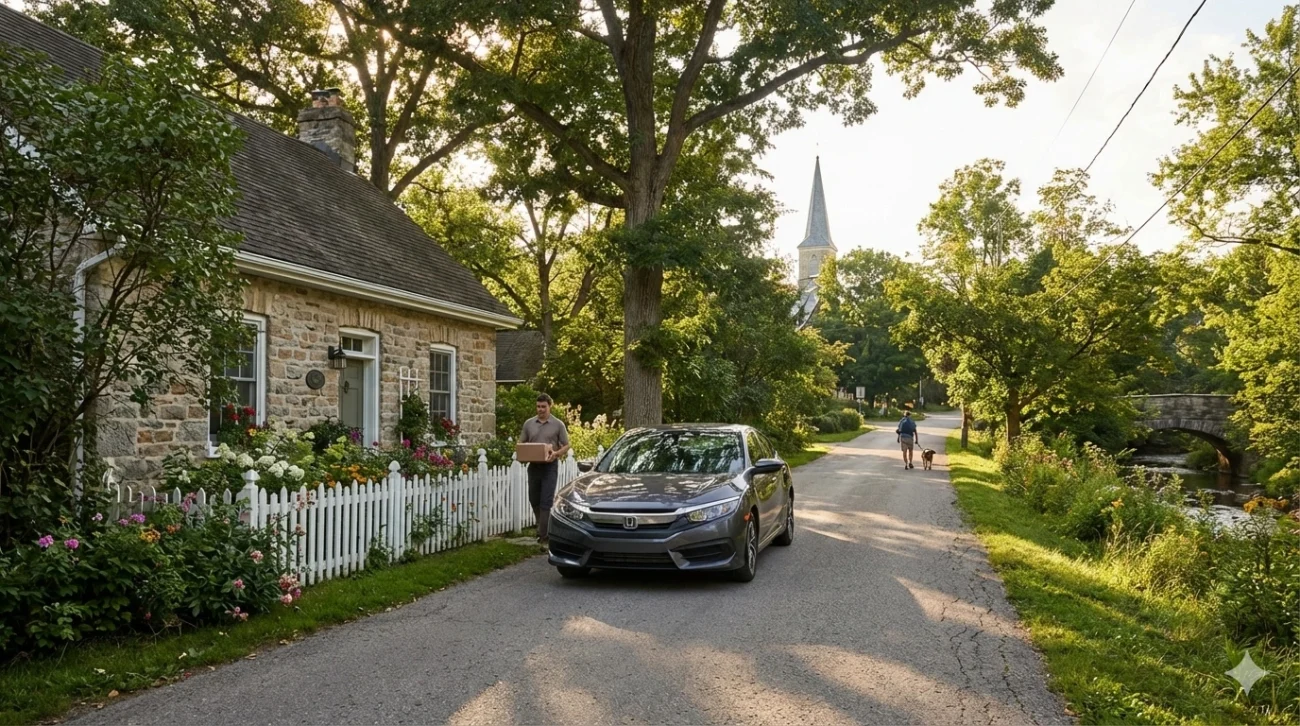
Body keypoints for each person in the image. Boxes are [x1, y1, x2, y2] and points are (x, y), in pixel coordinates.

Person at [519, 393, 570, 545]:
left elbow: (566, 445)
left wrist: (556, 454)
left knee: (546, 500)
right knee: (534, 498)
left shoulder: (558, 424)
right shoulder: (529, 424)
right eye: (538, 406)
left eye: (543, 407)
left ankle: (544, 536)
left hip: (550, 467)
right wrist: (525, 452)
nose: (540, 409)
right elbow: (521, 443)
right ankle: (541, 526)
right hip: (534, 466)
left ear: (550, 406)